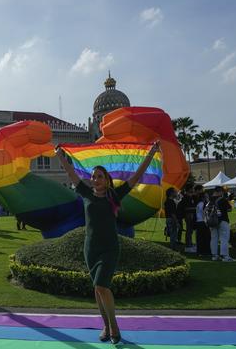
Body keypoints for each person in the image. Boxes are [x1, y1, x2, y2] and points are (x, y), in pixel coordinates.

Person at [57, 141, 160, 345]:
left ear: (106, 180)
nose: (95, 179)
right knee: (98, 289)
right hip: (91, 248)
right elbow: (72, 175)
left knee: (102, 285)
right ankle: (105, 326)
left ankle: (114, 327)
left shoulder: (114, 195)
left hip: (109, 248)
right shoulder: (86, 193)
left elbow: (136, 176)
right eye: (93, 176)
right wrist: (60, 156)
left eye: (99, 176)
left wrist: (151, 153)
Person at [209, 186, 236, 262]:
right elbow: (229, 208)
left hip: (212, 221)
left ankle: (214, 255)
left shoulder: (209, 200)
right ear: (220, 192)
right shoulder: (222, 199)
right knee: (224, 238)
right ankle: (225, 256)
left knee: (214, 238)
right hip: (223, 220)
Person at [194, 185, 211, 256]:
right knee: (206, 237)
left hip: (198, 222)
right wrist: (206, 221)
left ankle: (200, 252)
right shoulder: (204, 204)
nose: (208, 198)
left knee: (200, 238)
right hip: (203, 222)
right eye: (206, 197)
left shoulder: (198, 203)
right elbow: (204, 213)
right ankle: (205, 251)